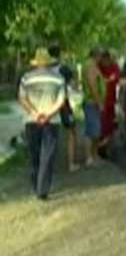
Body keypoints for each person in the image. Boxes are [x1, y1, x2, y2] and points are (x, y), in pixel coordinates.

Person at [18, 48, 66, 200]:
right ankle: (42, 190)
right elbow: (61, 100)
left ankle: (35, 185)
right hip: (51, 121)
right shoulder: (58, 78)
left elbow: (22, 98)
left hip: (31, 121)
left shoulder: (26, 78)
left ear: (36, 62)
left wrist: (34, 113)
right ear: (49, 62)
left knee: (34, 154)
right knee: (48, 155)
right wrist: (48, 114)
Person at [47, 43, 80, 172]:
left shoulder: (44, 68)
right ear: (59, 54)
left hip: (47, 102)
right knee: (71, 131)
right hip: (62, 102)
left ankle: (47, 164)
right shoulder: (64, 69)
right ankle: (70, 164)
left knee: (48, 133)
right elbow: (75, 86)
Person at [82, 47, 105, 167]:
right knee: (93, 131)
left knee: (94, 130)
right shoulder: (90, 65)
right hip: (92, 102)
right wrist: (98, 102)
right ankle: (89, 158)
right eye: (101, 56)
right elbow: (92, 85)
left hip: (92, 102)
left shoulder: (91, 65)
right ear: (96, 55)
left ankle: (94, 156)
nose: (101, 58)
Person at [98, 49, 120, 155]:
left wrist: (109, 80)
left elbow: (116, 77)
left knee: (109, 123)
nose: (104, 62)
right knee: (102, 123)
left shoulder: (114, 66)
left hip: (110, 100)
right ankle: (102, 145)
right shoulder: (99, 67)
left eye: (106, 60)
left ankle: (106, 145)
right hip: (101, 100)